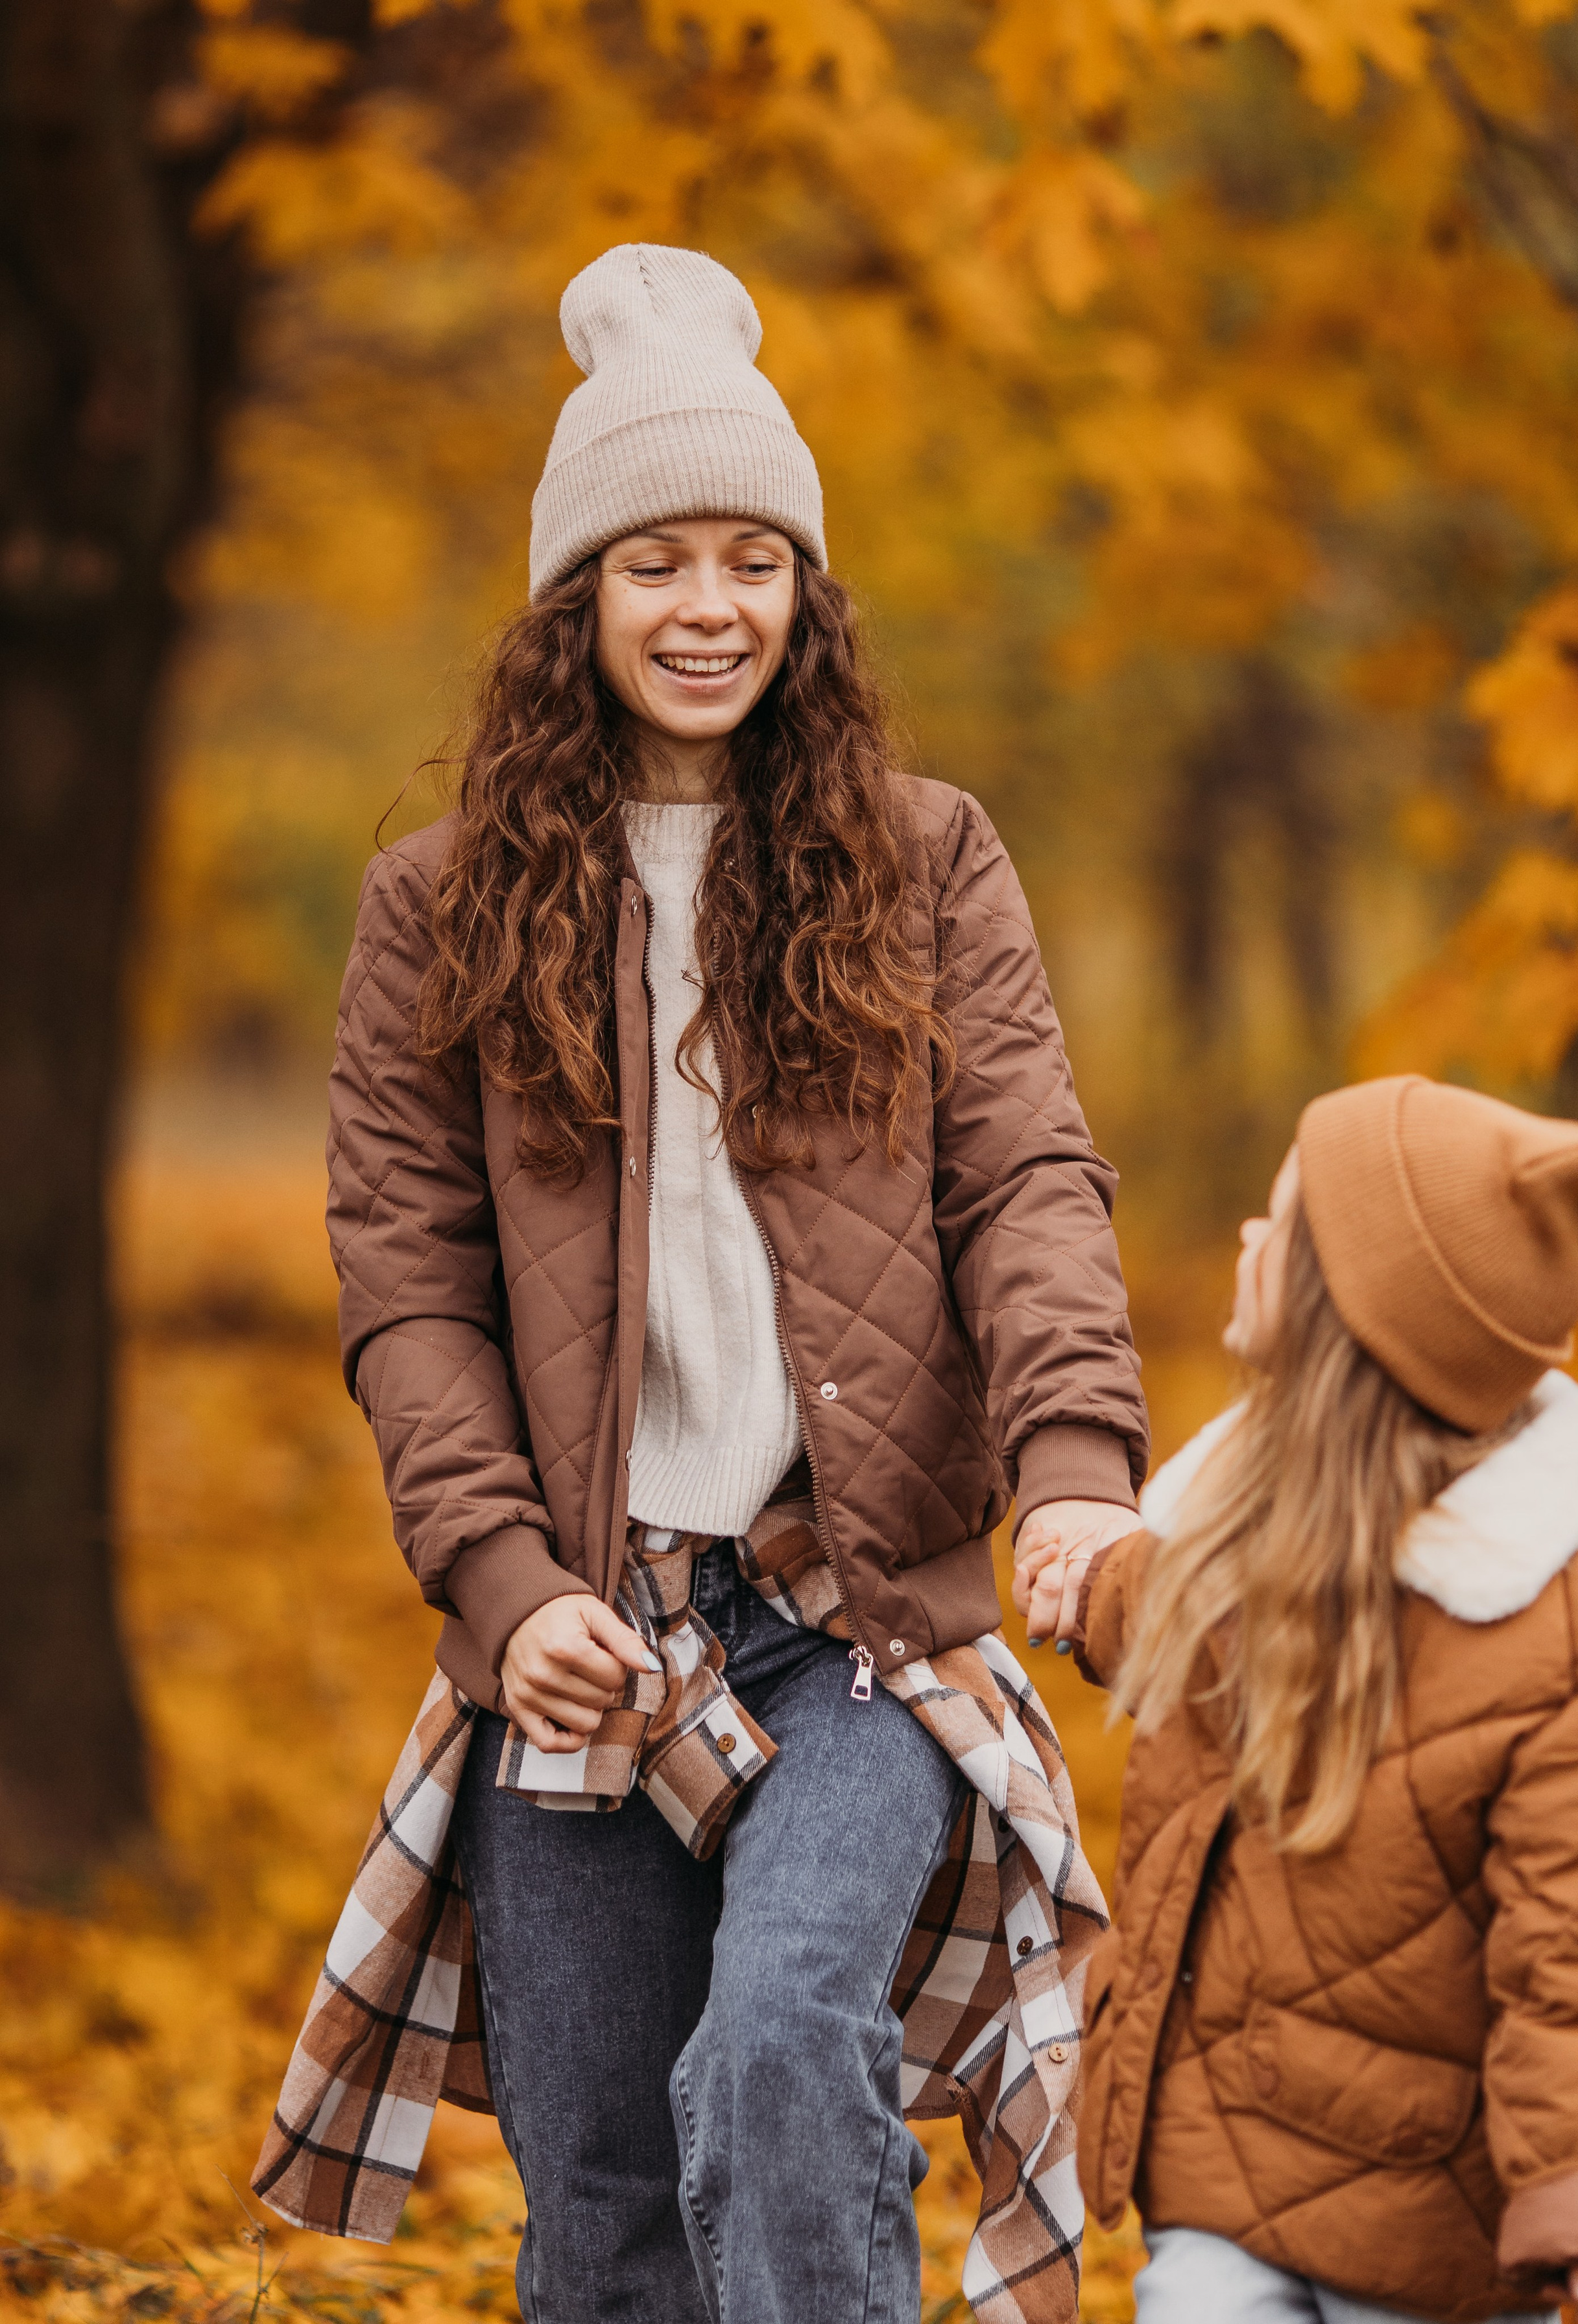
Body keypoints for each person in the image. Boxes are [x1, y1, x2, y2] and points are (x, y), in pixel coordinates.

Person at [256, 243, 1148, 2324]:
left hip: (856, 1618)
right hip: (588, 1623)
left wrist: (1082, 1462)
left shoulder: (926, 862)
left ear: (806, 599)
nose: (711, 607)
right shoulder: (438, 909)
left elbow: (1028, 1180)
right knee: (603, 2194)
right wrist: (503, 1587)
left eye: (756, 559)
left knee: (777, 2042)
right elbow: (407, 1288)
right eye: (658, 561)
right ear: (579, 603)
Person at [1016, 1073, 1578, 2324]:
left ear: (1354, 1321)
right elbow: (1170, 1599)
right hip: (1225, 2149)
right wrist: (1090, 1589)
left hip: (1435, 2218)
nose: (1249, 1241)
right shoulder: (1247, 1520)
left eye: (1281, 1228)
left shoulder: (1573, 1641)